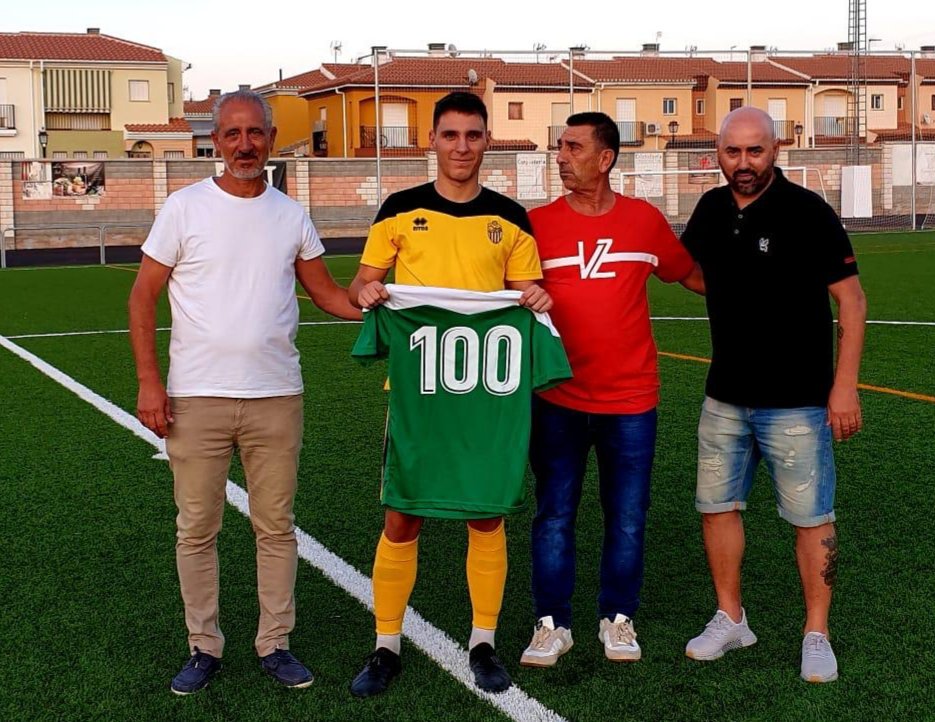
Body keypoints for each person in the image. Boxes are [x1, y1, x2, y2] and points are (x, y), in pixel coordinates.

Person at [128, 89, 360, 695]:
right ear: (216, 139)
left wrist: (386, 305)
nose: (244, 145)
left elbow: (328, 295)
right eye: (231, 134)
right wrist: (150, 382)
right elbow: (141, 297)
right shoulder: (184, 208)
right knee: (196, 529)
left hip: (276, 396)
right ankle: (204, 647)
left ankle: (274, 643)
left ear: (271, 136)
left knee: (275, 527)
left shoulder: (291, 215)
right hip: (196, 398)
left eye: (254, 133)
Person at [347, 91, 553, 697]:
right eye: (450, 135)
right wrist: (368, 294)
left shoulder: (511, 217)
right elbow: (364, 281)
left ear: (487, 141)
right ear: (431, 141)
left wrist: (536, 297)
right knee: (402, 514)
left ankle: (483, 641)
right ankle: (386, 645)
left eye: (472, 135)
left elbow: (526, 292)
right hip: (419, 388)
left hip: (486, 388)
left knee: (486, 513)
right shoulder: (399, 208)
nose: (461, 146)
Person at [679, 106, 867, 683]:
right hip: (725, 397)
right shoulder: (711, 208)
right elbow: (692, 271)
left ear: (776, 150)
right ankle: (731, 617)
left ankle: (817, 632)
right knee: (717, 509)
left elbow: (852, 302)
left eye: (754, 151)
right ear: (717, 154)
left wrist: (843, 386)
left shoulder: (808, 211)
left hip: (798, 401)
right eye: (732, 152)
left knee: (811, 518)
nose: (743, 164)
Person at [519, 112, 704, 668]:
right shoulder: (535, 224)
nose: (560, 156)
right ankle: (552, 624)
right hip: (557, 399)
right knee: (554, 513)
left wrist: (767, 294)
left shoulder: (644, 221)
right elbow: (503, 289)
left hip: (631, 401)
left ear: (606, 159)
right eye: (559, 146)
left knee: (627, 516)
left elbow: (693, 276)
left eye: (573, 147)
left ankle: (617, 618)